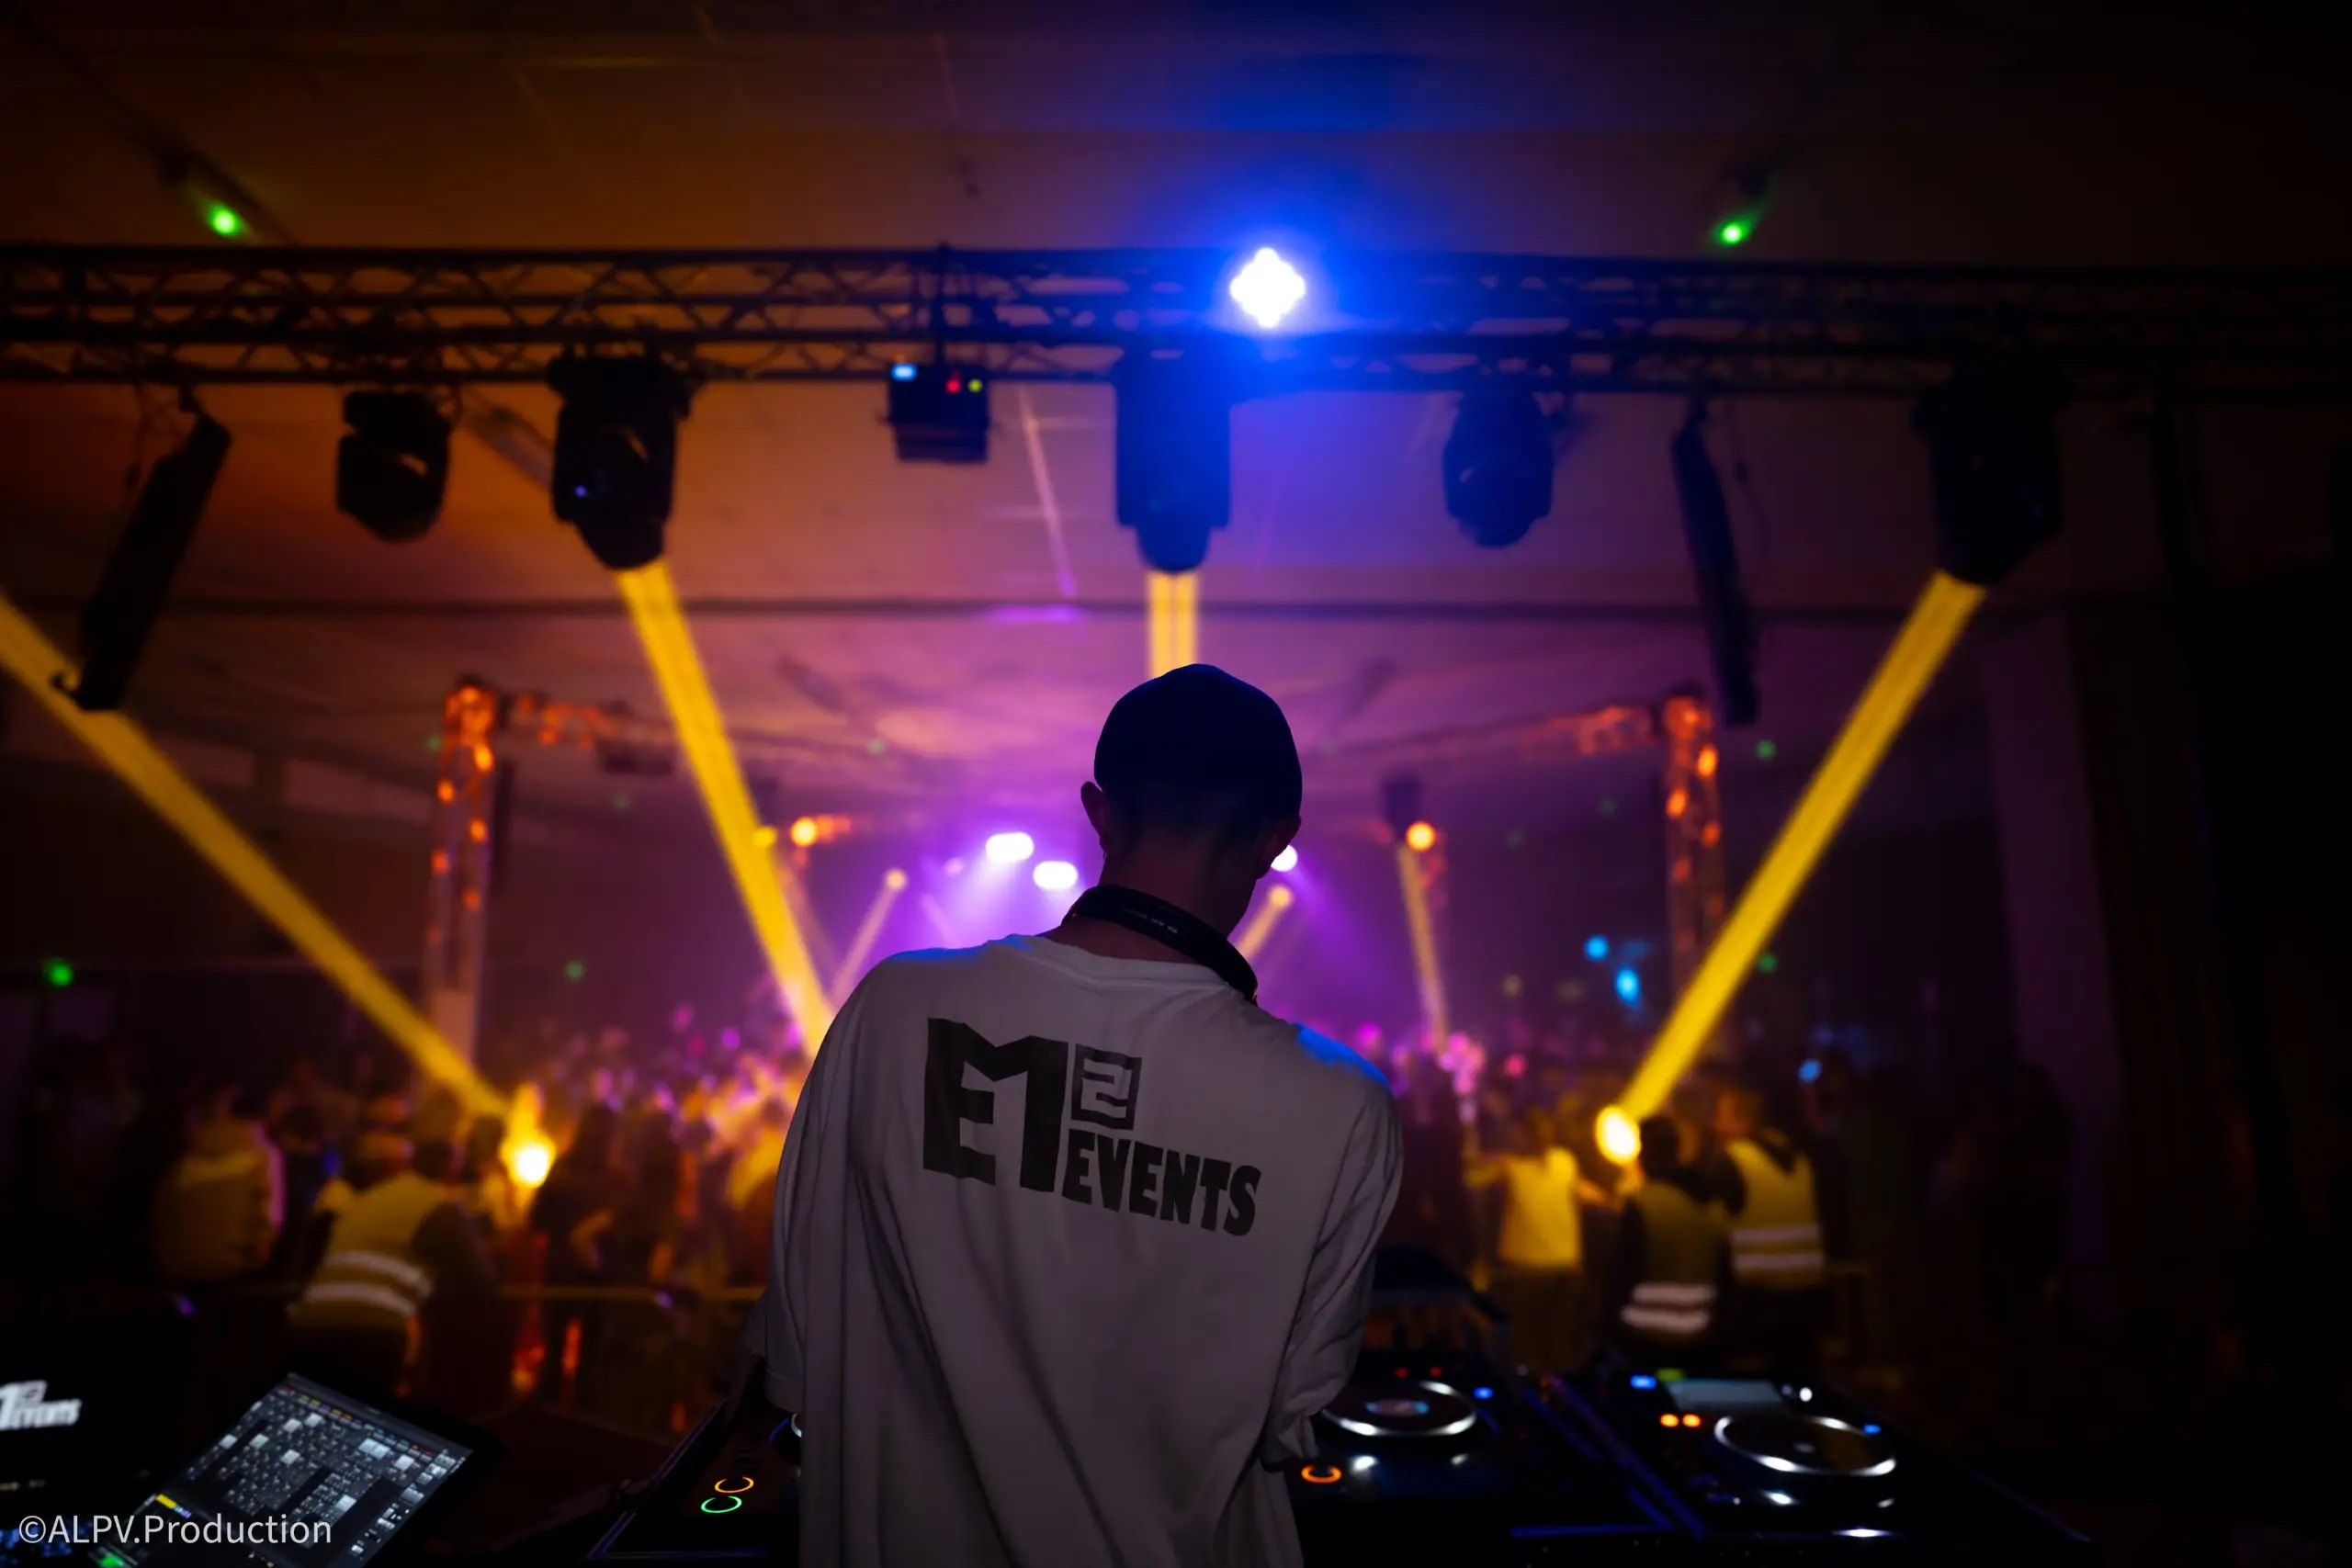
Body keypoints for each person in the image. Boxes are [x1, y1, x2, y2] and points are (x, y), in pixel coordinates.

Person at [751, 663, 1401, 1568]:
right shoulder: (1340, 1104)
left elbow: (796, 1352)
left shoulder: (893, 1011)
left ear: (1099, 812)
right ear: (1273, 840)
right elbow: (1298, 1416)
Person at [288, 1121, 497, 1401]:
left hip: (312, 1319)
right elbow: (480, 1278)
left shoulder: (370, 1197)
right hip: (373, 1325)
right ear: (451, 1170)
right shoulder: (440, 1204)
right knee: (363, 1414)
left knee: (313, 1409)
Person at [1465, 1104, 1610, 1374]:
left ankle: (1531, 1388)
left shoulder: (1520, 1166)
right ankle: (1552, 1386)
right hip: (1559, 1268)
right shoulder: (1558, 1163)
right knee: (1553, 1344)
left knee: (1527, 1343)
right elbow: (1594, 1197)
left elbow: (1472, 1176)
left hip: (1530, 1272)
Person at [1710, 1084, 1827, 1370]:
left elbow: (1710, 1227)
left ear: (1744, 1120)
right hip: (1810, 1294)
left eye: (1721, 1116)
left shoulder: (1734, 1160)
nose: (1715, 1125)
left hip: (1759, 1298)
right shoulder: (1800, 1158)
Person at [1606, 1115, 1733, 1367]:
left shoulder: (1643, 1205)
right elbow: (1725, 1274)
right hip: (1700, 1335)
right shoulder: (1714, 1204)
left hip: (1646, 1338)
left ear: (1644, 1154)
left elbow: (1621, 1276)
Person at [151, 1086, 285, 1285]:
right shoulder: (265, 1155)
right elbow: (269, 1221)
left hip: (173, 1270)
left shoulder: (185, 1155)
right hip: (232, 1271)